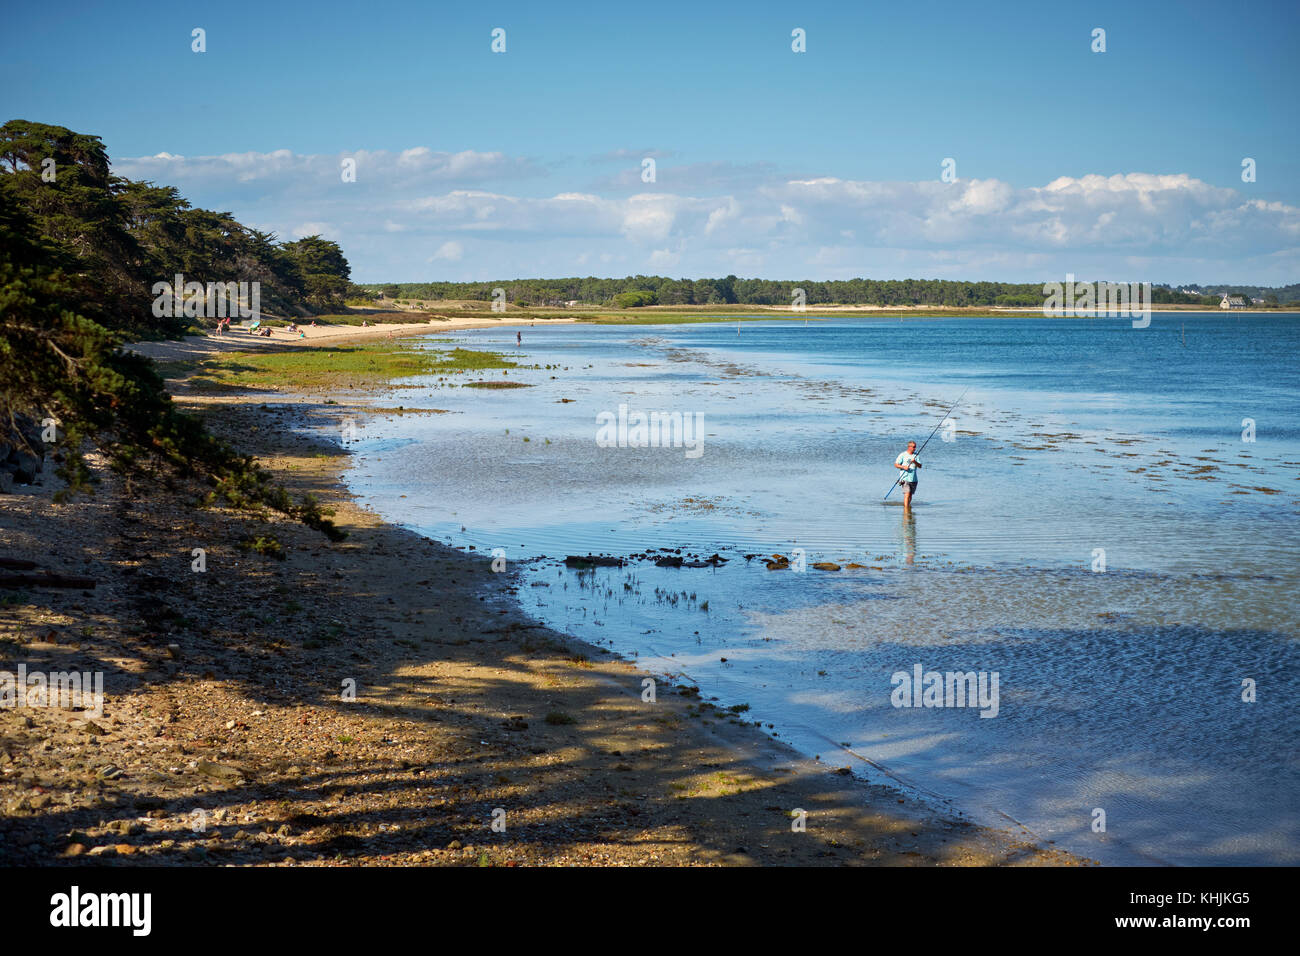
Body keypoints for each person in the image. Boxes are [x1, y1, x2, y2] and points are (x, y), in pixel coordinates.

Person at [894, 440, 921, 511]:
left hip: (914, 479)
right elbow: (896, 464)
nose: (915, 448)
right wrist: (903, 467)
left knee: (910, 495)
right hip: (905, 478)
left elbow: (920, 466)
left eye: (915, 447)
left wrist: (915, 461)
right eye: (913, 447)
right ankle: (906, 510)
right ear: (909, 447)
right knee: (907, 493)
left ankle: (907, 507)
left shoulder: (916, 455)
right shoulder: (902, 455)